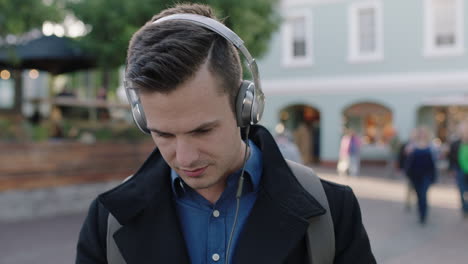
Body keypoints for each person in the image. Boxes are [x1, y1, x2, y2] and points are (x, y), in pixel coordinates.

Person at [76, 4, 375, 263]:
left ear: (245, 106)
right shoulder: (106, 220)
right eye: (163, 134)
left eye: (203, 130)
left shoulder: (333, 211)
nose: (185, 158)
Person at [404, 126, 438, 224]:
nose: (422, 135)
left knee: (423, 194)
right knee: (419, 195)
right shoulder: (413, 145)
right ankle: (420, 211)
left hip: (426, 175)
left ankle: (423, 215)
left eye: (424, 133)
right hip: (415, 175)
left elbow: (436, 159)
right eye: (421, 133)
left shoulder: (432, 145)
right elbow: (406, 155)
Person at [448, 120, 468, 217]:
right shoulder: (455, 143)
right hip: (459, 170)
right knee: (461, 190)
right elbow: (451, 157)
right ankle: (464, 208)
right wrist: (451, 169)